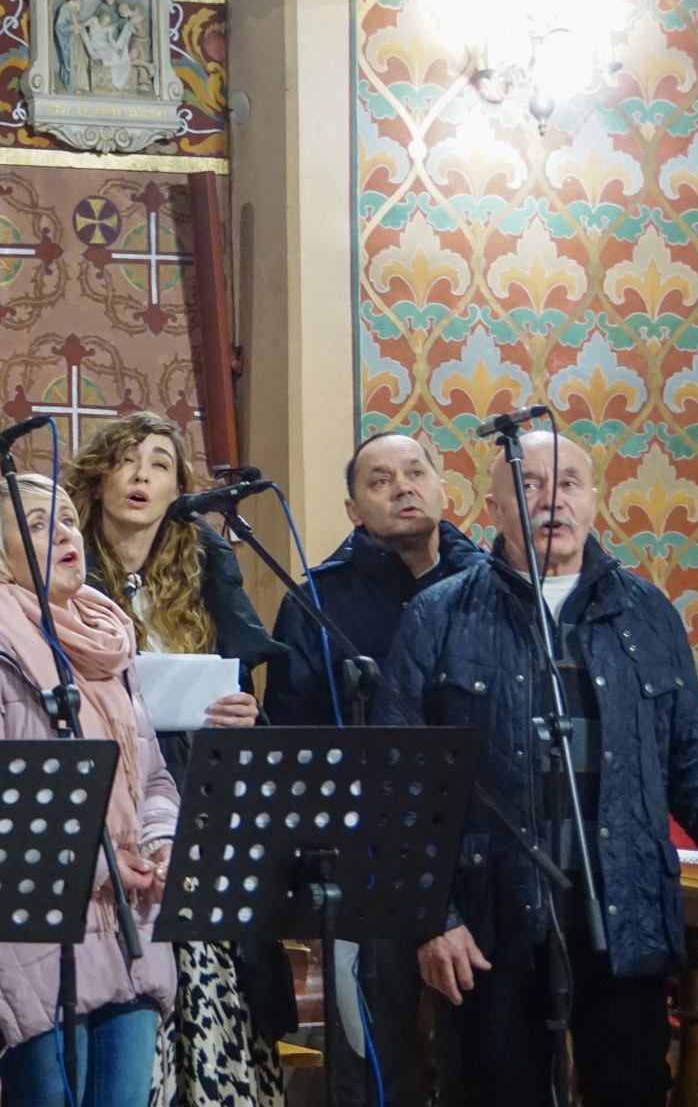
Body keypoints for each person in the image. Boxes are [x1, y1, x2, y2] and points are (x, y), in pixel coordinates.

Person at [378, 430, 698, 1107]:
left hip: (624, 916)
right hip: (490, 923)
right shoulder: (437, 615)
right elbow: (402, 786)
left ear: (594, 500)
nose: (550, 500)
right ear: (495, 509)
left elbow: (690, 762)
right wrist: (433, 917)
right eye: (528, 485)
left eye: (567, 483)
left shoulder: (646, 612)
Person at [0, 473, 178, 1107]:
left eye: (66, 520)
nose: (64, 534)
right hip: (30, 934)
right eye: (38, 524)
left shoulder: (108, 646)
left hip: (129, 928)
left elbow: (153, 776)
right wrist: (100, 862)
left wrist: (161, 843)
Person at [63, 412, 293, 1107]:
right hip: (106, 806)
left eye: (160, 464)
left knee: (216, 998)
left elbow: (242, 697)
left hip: (200, 801)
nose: (141, 476)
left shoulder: (203, 564)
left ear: (178, 489)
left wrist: (244, 716)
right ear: (97, 478)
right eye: (126, 460)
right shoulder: (63, 566)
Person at [262, 431, 483, 1104]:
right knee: (376, 1070)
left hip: (486, 858)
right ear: (354, 509)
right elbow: (293, 743)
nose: (403, 488)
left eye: (416, 473)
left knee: (493, 1065)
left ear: (444, 489)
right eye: (380, 480)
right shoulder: (316, 602)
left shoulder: (493, 589)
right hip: (369, 861)